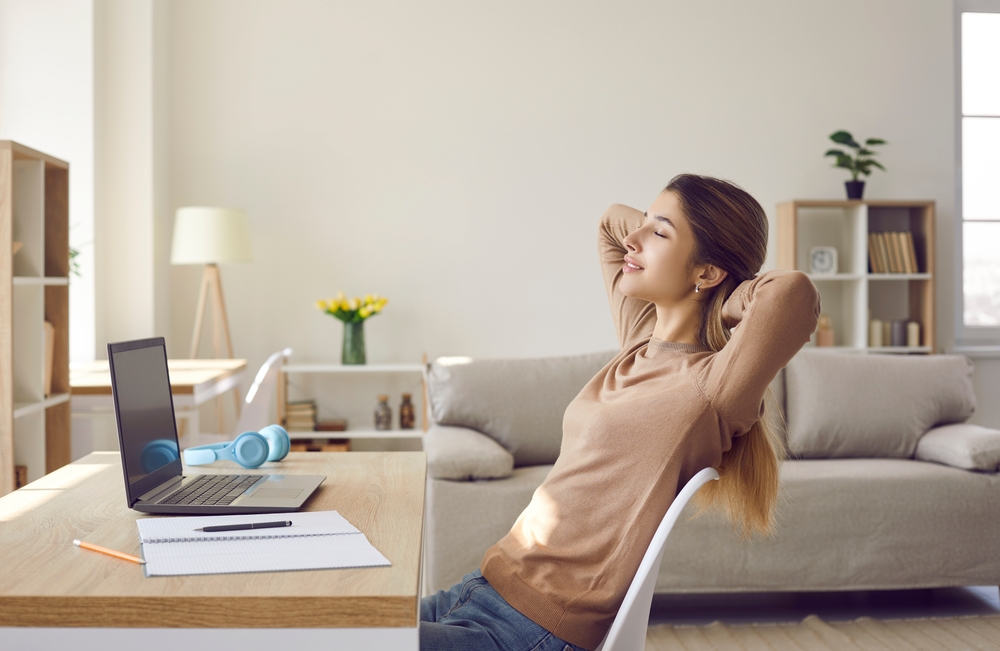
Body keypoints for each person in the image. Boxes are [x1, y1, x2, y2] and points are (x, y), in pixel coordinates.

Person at [420, 174, 821, 651]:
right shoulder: (639, 342)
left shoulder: (712, 388)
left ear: (708, 272)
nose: (633, 239)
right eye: (647, 223)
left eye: (659, 233)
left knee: (322, 633)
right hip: (480, 588)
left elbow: (793, 292)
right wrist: (671, 237)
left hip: (529, 630)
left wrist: (729, 299)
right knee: (315, 612)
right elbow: (612, 221)